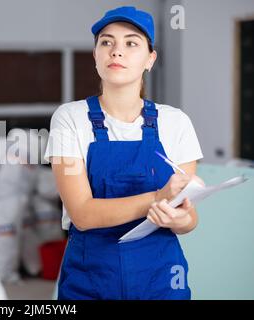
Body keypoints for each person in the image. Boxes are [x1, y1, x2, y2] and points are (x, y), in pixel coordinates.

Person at [44, 6, 204, 300]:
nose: (116, 51)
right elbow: (82, 214)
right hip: (90, 279)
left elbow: (188, 218)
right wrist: (157, 199)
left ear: (150, 59)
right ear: (95, 55)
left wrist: (180, 218)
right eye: (106, 42)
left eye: (131, 43)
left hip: (162, 279)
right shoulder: (70, 118)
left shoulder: (176, 122)